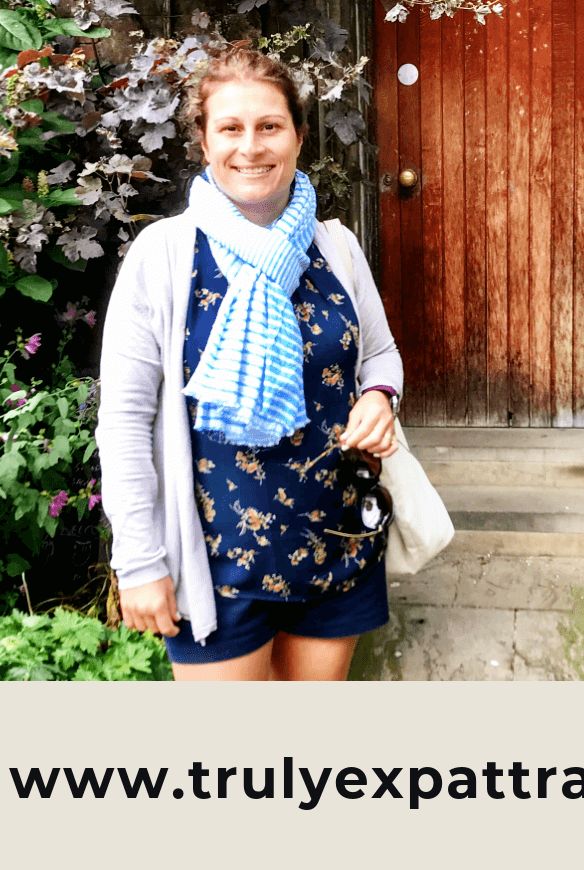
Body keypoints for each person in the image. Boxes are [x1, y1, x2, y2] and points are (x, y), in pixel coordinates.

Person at [96, 46, 403, 680]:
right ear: (204, 142)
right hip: (215, 565)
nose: (251, 147)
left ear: (298, 136)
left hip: (335, 543)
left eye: (269, 126)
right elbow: (123, 421)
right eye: (231, 128)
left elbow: (380, 354)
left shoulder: (335, 247)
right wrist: (140, 561)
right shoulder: (163, 255)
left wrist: (379, 396)